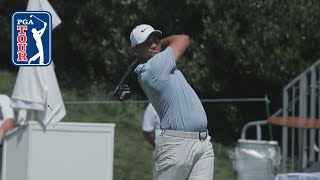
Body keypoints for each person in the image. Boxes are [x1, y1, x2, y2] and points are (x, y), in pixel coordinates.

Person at [131, 24, 214, 180]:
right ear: (136, 50)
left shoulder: (160, 64)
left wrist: (158, 44)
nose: (154, 45)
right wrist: (163, 42)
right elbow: (183, 39)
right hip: (176, 144)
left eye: (155, 39)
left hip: (202, 142)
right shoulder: (154, 68)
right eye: (147, 43)